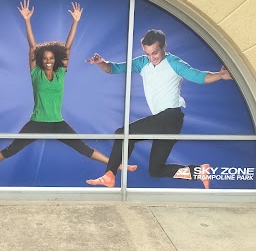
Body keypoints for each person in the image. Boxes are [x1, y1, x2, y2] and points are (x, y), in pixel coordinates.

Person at [0, 0, 136, 176]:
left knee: (83, 148)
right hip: (37, 122)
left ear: (56, 59)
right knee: (10, 150)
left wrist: (75, 22)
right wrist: (27, 21)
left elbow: (67, 48)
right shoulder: (35, 73)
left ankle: (118, 165)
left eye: (51, 58)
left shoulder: (61, 73)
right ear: (40, 60)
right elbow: (32, 47)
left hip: (57, 123)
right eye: (45, 58)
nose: (48, 61)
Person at [85, 29, 232, 189]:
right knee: (156, 170)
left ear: (164, 47)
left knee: (123, 134)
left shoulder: (174, 63)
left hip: (170, 117)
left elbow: (198, 76)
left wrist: (220, 75)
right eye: (147, 54)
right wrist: (101, 63)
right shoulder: (142, 63)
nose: (151, 58)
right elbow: (114, 69)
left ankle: (110, 175)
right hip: (165, 121)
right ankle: (198, 172)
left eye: (154, 53)